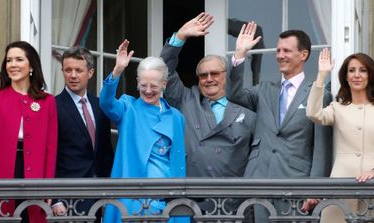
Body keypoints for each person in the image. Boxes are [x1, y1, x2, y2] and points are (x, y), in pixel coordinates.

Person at [226, 22, 333, 222]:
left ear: (303, 55)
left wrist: (315, 188)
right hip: (259, 180)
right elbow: (233, 95)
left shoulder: (318, 94)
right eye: (278, 50)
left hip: (296, 184)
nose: (280, 55)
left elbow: (322, 149)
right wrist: (239, 54)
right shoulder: (264, 89)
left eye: (286, 50)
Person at [160, 12, 257, 215]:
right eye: (203, 75)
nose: (209, 79)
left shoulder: (246, 108)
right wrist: (180, 37)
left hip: (235, 205)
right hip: (192, 202)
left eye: (215, 73)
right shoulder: (186, 99)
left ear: (226, 75)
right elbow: (164, 71)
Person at [99, 39, 188, 223]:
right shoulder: (127, 108)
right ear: (137, 82)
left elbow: (178, 162)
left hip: (166, 202)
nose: (148, 91)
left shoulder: (176, 117)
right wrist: (117, 71)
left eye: (154, 86)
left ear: (164, 84)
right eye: (143, 85)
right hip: (132, 201)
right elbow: (106, 103)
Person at [0, 41, 58, 222]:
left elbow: (50, 150)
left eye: (19, 59)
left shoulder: (48, 102)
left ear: (31, 66)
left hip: (35, 177)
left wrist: (49, 186)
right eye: (8, 60)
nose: (12, 65)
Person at [306, 49, 374, 223]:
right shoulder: (337, 107)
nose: (357, 75)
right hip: (341, 187)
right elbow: (314, 113)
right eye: (351, 70)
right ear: (345, 76)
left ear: (370, 75)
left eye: (363, 70)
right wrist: (321, 75)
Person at [51, 46, 114, 220]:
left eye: (79, 70)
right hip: (67, 198)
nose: (72, 75)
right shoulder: (53, 106)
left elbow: (105, 153)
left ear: (90, 72)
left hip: (98, 197)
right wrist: (55, 199)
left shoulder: (100, 105)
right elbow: (49, 155)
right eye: (68, 70)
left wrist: (107, 195)